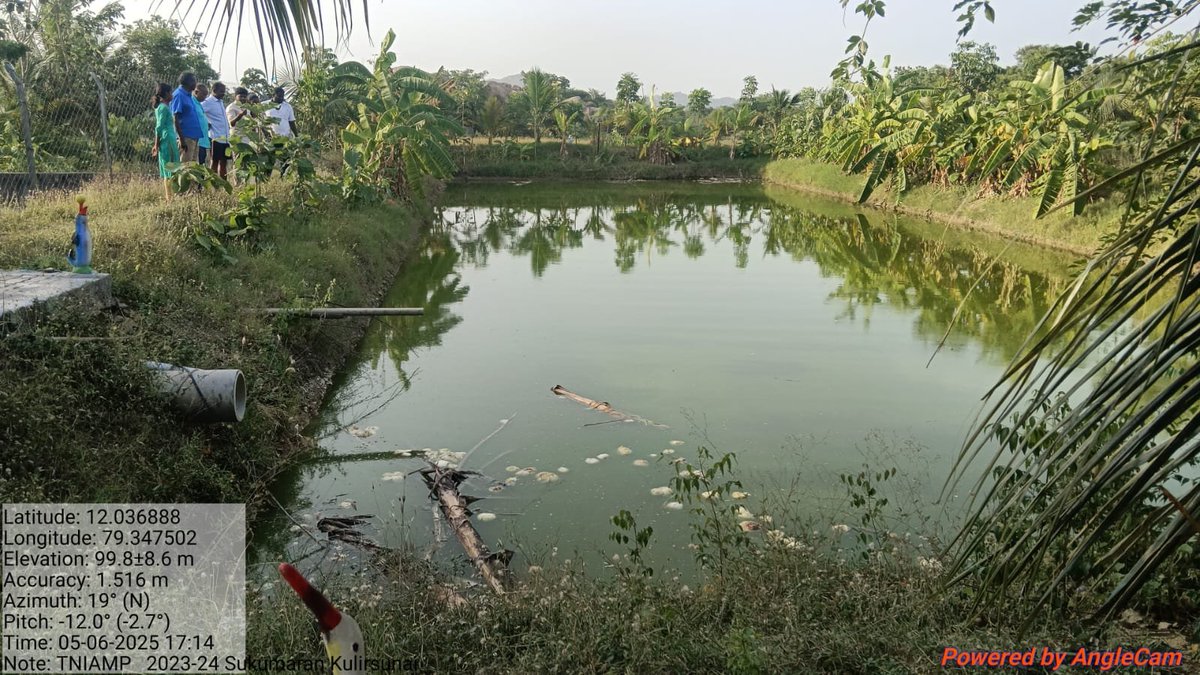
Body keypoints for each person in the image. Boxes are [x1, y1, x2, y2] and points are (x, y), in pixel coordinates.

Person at [152, 82, 180, 199]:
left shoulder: (165, 107)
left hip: (170, 139)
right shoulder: (163, 108)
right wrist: (156, 145)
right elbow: (159, 127)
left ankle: (173, 196)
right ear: (167, 93)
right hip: (167, 140)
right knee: (169, 169)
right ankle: (170, 198)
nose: (172, 94)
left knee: (173, 168)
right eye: (171, 92)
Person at [170, 72, 202, 163]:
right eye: (195, 81)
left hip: (194, 137)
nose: (196, 83)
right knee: (184, 167)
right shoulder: (178, 95)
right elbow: (175, 117)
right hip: (186, 137)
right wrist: (181, 139)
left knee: (192, 168)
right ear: (189, 82)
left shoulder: (188, 96)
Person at [202, 82, 231, 178]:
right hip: (216, 137)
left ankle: (223, 183)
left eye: (224, 91)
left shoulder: (220, 101)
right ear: (214, 91)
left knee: (224, 162)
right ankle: (213, 182)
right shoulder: (208, 102)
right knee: (214, 161)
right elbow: (198, 111)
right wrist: (206, 123)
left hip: (225, 137)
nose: (223, 93)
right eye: (221, 91)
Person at [193, 83, 211, 166]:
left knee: (202, 163)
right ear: (196, 92)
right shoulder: (192, 102)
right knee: (196, 164)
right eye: (203, 94)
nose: (205, 97)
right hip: (197, 140)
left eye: (206, 95)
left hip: (203, 140)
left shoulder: (199, 104)